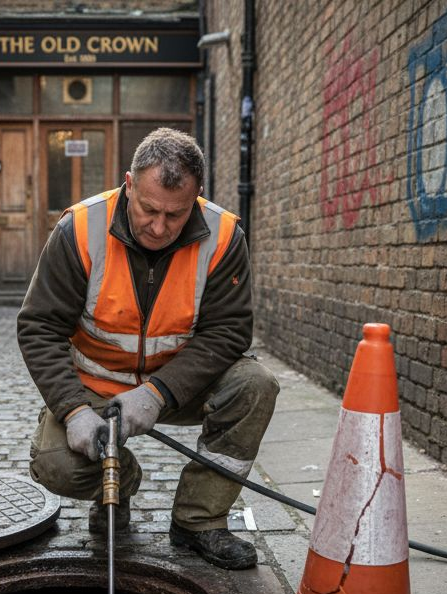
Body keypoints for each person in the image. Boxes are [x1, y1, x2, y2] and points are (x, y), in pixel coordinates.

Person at [17, 127, 278, 570]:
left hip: (177, 386)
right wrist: (75, 410)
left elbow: (229, 331)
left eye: (175, 216)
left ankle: (200, 521)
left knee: (255, 385)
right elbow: (39, 326)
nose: (159, 227)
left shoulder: (224, 236)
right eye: (148, 209)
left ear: (196, 197)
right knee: (56, 465)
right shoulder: (79, 229)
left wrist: (157, 393)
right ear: (129, 183)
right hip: (94, 385)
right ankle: (118, 486)